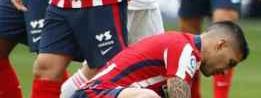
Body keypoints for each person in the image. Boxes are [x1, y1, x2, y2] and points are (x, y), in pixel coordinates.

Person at [71, 21, 249, 98]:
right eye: (230, 63)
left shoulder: (187, 53)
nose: (226, 71)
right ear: (221, 45)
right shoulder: (185, 48)